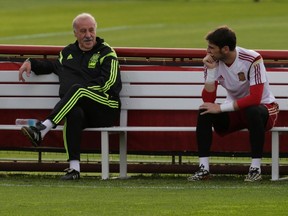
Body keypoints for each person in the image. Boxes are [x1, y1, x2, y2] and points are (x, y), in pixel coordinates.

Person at [18, 13, 122, 180]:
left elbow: (109, 83)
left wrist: (84, 91)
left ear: (96, 30)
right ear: (75, 33)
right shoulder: (67, 53)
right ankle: (74, 169)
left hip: (106, 106)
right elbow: (52, 66)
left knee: (77, 90)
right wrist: (31, 62)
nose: (88, 35)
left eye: (91, 30)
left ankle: (43, 128)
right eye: (83, 31)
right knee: (73, 112)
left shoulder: (106, 52)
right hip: (81, 110)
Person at [188, 26, 279, 182]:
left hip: (264, 108)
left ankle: (255, 169)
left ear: (225, 49)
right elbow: (208, 100)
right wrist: (211, 73)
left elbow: (255, 98)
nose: (207, 51)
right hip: (235, 110)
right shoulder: (212, 62)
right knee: (204, 111)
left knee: (253, 111)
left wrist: (221, 108)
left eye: (211, 48)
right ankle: (204, 169)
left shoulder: (252, 59)